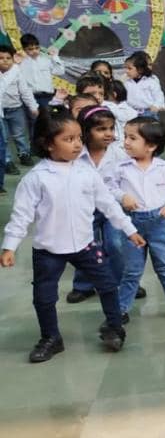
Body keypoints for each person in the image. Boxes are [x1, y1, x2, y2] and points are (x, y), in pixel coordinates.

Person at [1, 110, 145, 362]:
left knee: (108, 285)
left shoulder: (87, 173)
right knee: (44, 297)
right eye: (68, 139)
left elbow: (108, 204)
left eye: (79, 137)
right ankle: (51, 338)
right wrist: (9, 246)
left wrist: (130, 230)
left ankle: (114, 328)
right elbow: (21, 216)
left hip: (85, 246)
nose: (77, 144)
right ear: (47, 143)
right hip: (48, 250)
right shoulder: (36, 178)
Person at [111, 117, 165, 323]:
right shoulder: (120, 168)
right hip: (132, 225)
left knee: (164, 267)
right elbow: (108, 188)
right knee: (132, 270)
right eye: (125, 136)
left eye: (132, 138)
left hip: (159, 224)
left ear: (151, 146)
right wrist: (122, 196)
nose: (126, 142)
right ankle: (120, 309)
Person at [66, 106, 138, 304]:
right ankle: (83, 285)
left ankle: (125, 282)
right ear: (86, 131)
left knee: (116, 244)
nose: (108, 134)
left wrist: (128, 197)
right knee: (84, 246)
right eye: (101, 129)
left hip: (113, 208)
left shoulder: (120, 153)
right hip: (83, 209)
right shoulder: (75, 154)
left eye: (111, 128)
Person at [0, 43, 39, 174]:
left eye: (8, 58)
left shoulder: (17, 73)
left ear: (13, 59)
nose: (5, 61)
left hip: (16, 109)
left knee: (20, 134)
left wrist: (33, 106)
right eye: (1, 58)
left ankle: (23, 154)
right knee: (3, 137)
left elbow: (25, 91)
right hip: (1, 111)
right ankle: (6, 160)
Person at [19, 33, 64, 117]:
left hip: (47, 97)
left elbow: (60, 71)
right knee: (33, 120)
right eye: (30, 49)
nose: (35, 51)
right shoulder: (21, 63)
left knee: (49, 120)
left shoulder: (46, 60)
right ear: (24, 49)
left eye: (37, 48)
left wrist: (55, 57)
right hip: (31, 98)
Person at [124, 51, 165, 117]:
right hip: (132, 112)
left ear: (140, 69)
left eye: (129, 69)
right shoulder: (127, 82)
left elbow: (159, 95)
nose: (126, 71)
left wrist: (157, 106)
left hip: (148, 111)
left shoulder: (152, 80)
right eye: (126, 68)